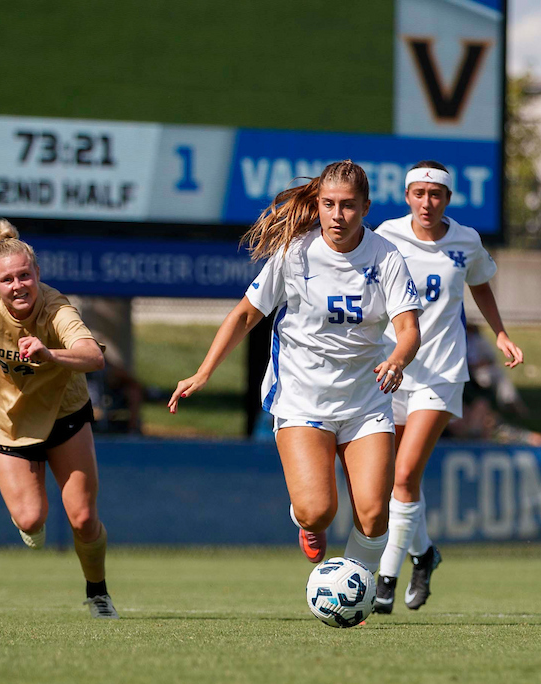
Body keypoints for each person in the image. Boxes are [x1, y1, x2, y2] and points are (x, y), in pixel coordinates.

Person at [170, 161, 421, 576]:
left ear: (366, 207)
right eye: (328, 204)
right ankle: (306, 520)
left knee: (376, 514)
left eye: (348, 206)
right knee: (317, 511)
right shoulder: (295, 253)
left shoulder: (386, 256)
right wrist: (203, 372)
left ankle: (354, 586)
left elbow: (409, 329)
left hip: (365, 400)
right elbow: (244, 316)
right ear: (318, 205)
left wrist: (396, 359)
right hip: (303, 397)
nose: (337, 216)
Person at [0, 219, 118, 619]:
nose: (18, 286)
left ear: (37, 274)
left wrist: (50, 354)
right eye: (8, 279)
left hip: (65, 413)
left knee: (83, 519)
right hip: (5, 417)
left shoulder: (57, 308)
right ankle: (31, 524)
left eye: (25, 276)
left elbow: (93, 356)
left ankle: (97, 593)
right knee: (31, 520)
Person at [371, 162, 524, 613]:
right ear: (407, 196)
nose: (426, 202)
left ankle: (385, 581)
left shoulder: (466, 240)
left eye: (435, 195)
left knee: (403, 475)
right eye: (418, 193)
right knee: (394, 483)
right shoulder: (386, 236)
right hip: (392, 371)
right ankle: (424, 554)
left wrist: (500, 333)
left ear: (448, 199)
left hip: (440, 372)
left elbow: (481, 285)